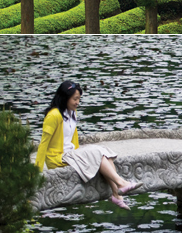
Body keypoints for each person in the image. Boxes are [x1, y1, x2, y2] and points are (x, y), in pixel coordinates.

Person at [35, 81, 143, 210]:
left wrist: (80, 154)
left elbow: (73, 140)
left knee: (104, 151)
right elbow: (43, 144)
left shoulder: (72, 113)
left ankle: (116, 194)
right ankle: (121, 182)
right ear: (65, 98)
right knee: (95, 153)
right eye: (75, 99)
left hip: (70, 153)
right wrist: (36, 171)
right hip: (57, 157)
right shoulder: (53, 115)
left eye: (79, 99)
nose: (77, 102)